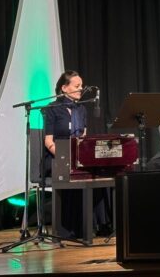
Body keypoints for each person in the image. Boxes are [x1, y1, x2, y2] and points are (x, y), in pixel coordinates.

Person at [43, 70, 110, 239]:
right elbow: (48, 141)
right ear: (64, 88)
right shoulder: (52, 109)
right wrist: (67, 157)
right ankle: (71, 228)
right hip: (56, 158)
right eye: (77, 86)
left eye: (82, 86)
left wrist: (83, 157)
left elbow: (83, 138)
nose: (81, 89)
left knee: (102, 172)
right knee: (75, 173)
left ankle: (101, 224)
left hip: (76, 157)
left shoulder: (81, 109)